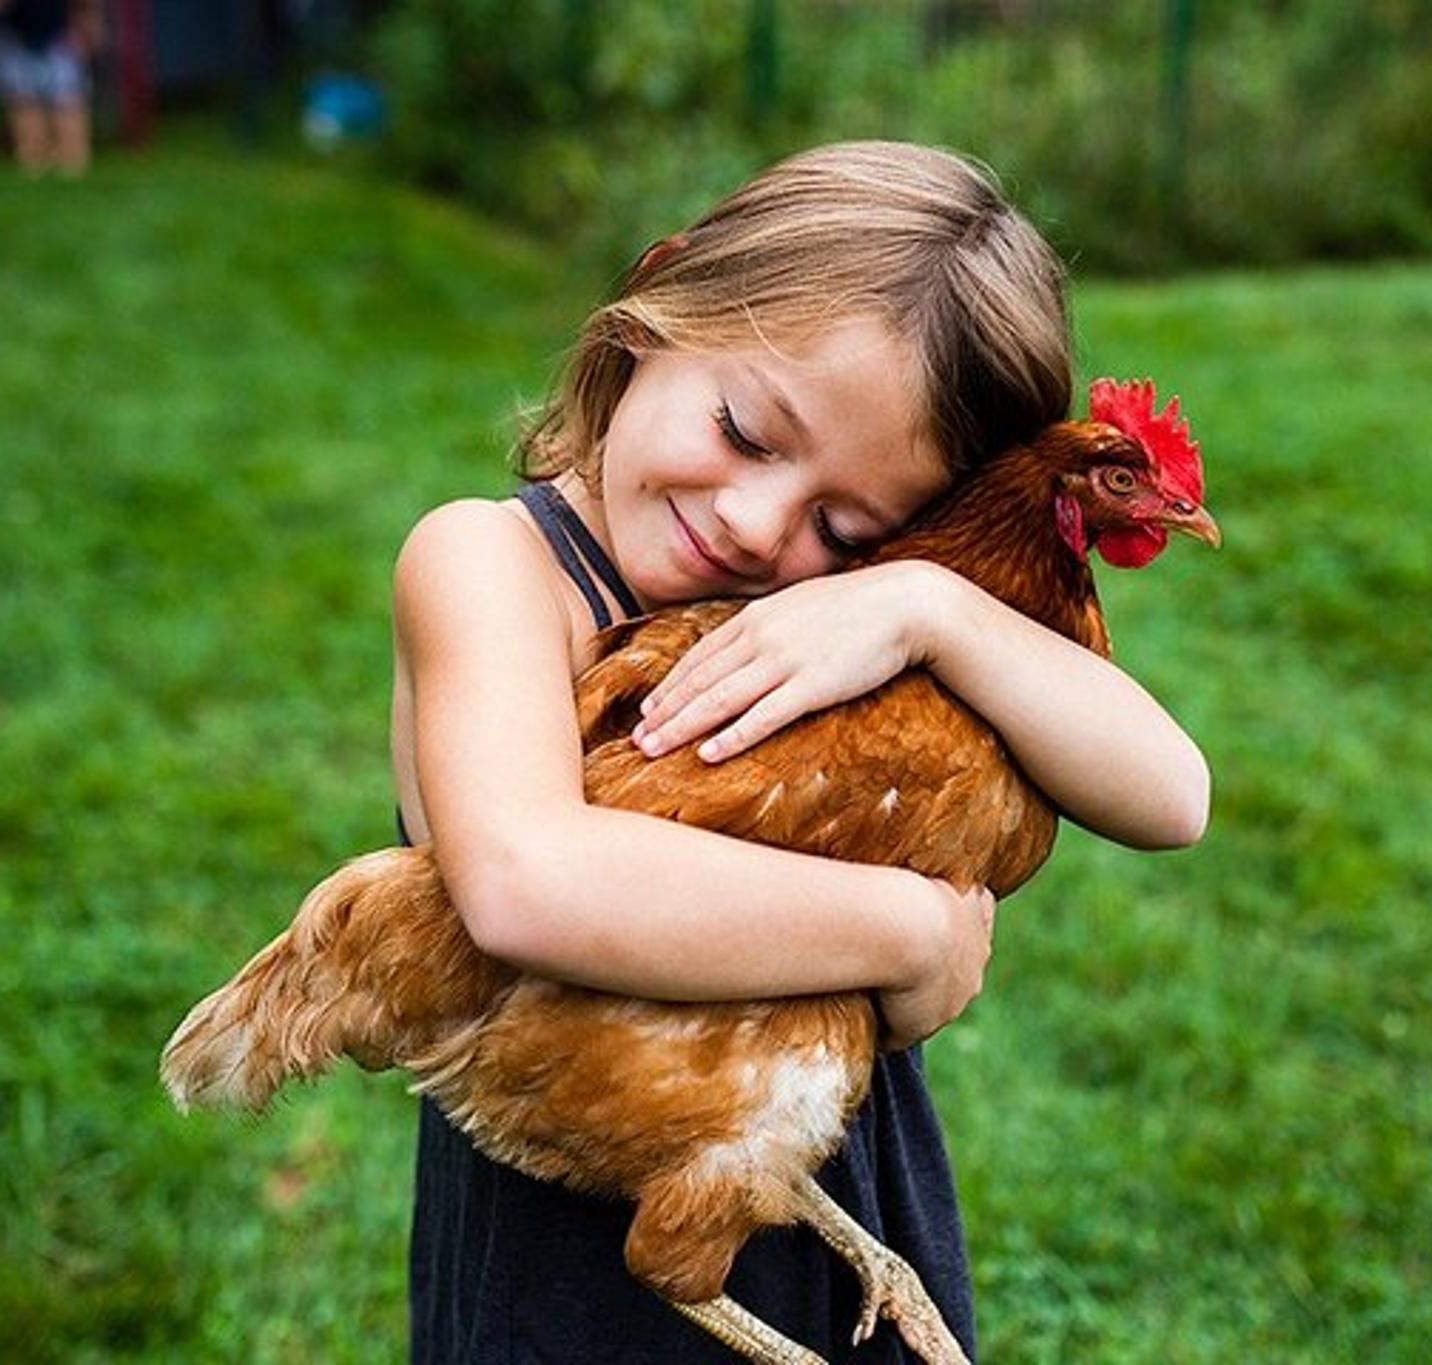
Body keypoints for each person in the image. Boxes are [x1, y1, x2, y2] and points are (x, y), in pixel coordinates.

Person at [392, 140, 1210, 1362]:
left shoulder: (870, 608)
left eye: (844, 523)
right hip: (576, 1230)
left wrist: (925, 608)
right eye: (743, 429)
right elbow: (524, 880)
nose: (754, 524)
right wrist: (912, 931)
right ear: (656, 308)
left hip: (823, 1176)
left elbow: (1172, 795)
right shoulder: (488, 566)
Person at [0, 0, 100, 176]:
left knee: (67, 100)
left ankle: (72, 163)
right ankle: (33, 163)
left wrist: (87, 29)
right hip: (15, 38)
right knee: (25, 102)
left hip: (60, 37)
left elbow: (85, 5)